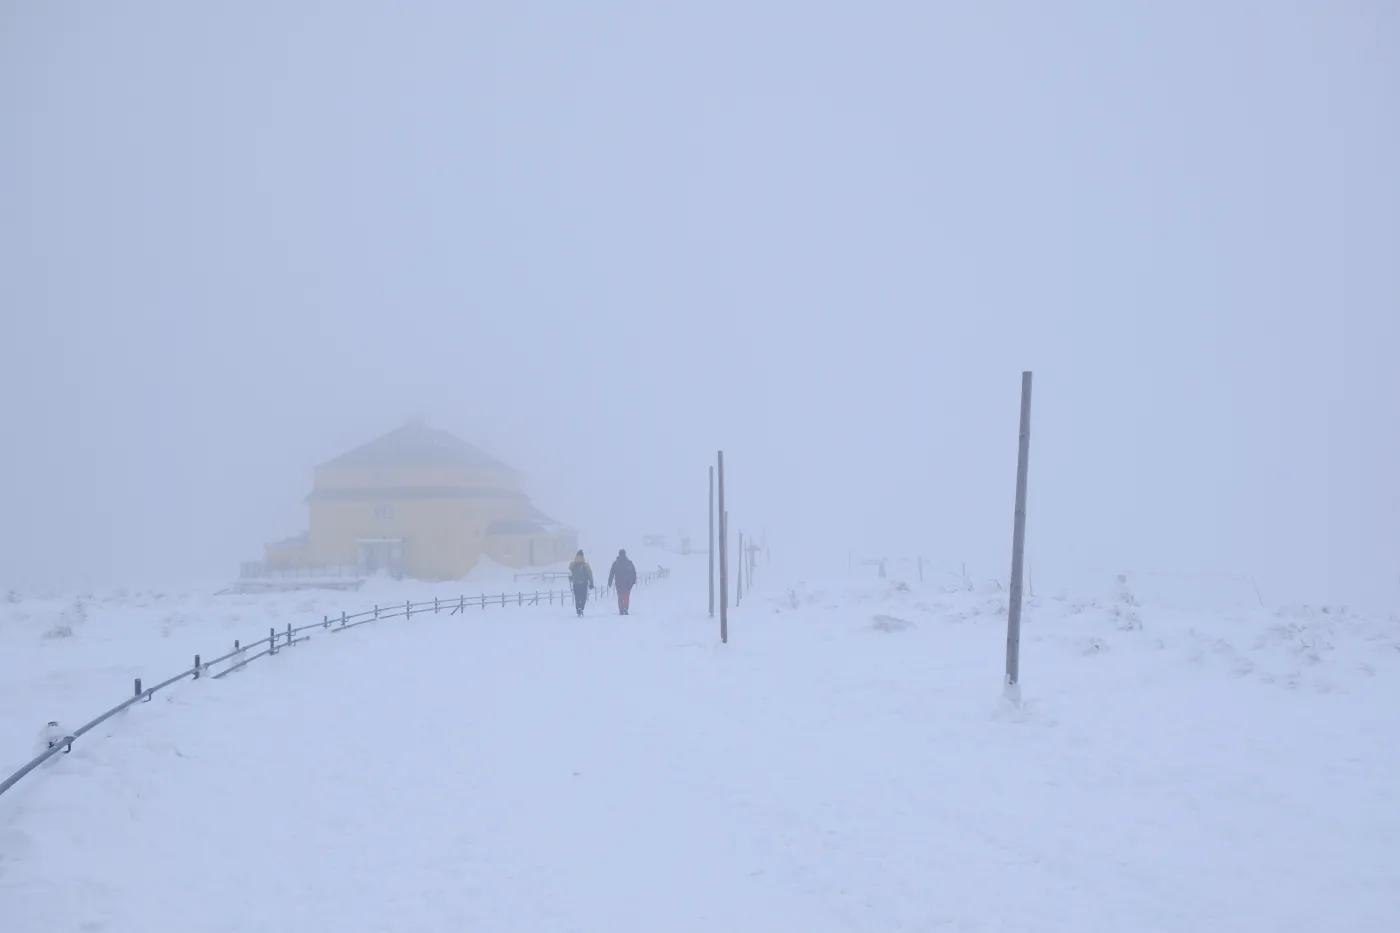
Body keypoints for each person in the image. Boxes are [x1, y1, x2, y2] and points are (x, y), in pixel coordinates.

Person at [607, 548, 638, 615]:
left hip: (619, 582)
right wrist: (633, 580)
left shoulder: (616, 563)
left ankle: (621, 608)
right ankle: (625, 607)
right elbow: (633, 572)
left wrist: (610, 581)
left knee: (620, 595)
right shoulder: (629, 563)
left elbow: (612, 573)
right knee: (626, 595)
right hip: (628, 582)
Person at [568, 550, 594, 617]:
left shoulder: (573, 565)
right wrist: (591, 582)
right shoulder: (585, 565)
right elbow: (589, 574)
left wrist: (572, 578)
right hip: (583, 583)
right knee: (583, 597)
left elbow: (571, 571)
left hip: (575, 584)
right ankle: (581, 607)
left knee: (577, 597)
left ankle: (578, 609)